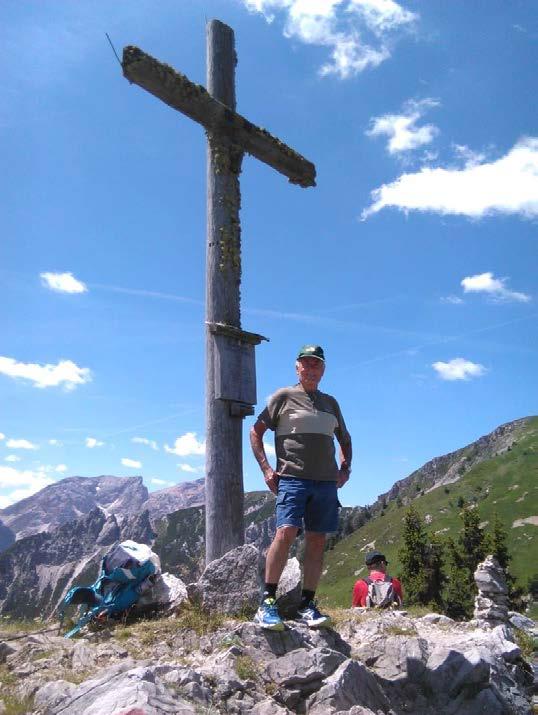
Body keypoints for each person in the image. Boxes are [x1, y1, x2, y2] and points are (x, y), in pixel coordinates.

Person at [250, 344, 352, 630]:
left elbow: (345, 438)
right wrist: (267, 470)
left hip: (325, 483)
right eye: (305, 364)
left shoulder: (331, 403)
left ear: (323, 369)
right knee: (285, 532)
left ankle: (307, 603)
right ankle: (267, 602)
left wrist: (345, 468)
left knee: (317, 540)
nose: (310, 369)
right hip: (292, 478)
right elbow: (255, 432)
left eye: (316, 364)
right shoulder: (283, 397)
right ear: (297, 367)